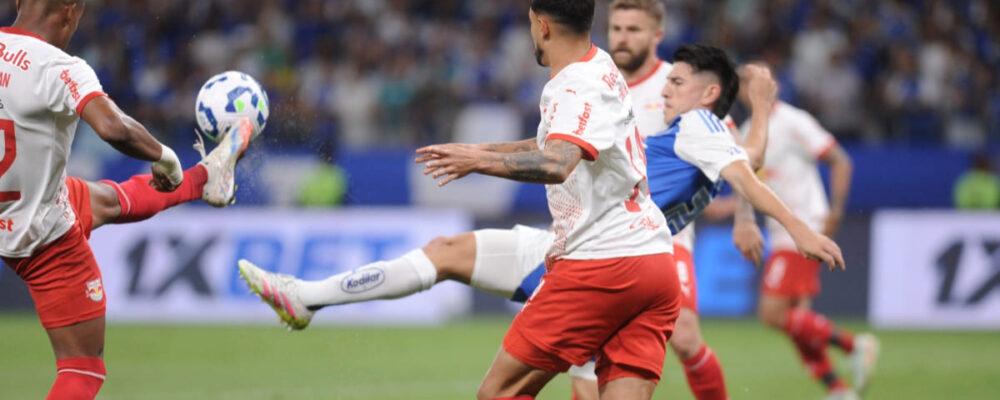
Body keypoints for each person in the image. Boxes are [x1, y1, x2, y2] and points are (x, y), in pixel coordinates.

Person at [241, 41, 844, 400]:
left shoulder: (695, 128)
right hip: (621, 261)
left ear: (708, 95)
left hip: (599, 255)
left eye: (679, 84)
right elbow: (747, 161)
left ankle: (306, 298)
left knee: (495, 365)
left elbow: (744, 172)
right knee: (451, 251)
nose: (666, 90)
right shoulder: (677, 132)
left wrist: (798, 228)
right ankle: (307, 298)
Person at [0, 1, 250, 398]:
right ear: (69, 12)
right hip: (43, 235)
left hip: (22, 205)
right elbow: (113, 128)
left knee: (107, 201)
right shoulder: (58, 67)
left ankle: (206, 178)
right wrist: (165, 157)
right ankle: (200, 177)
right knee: (82, 369)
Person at [730, 67, 879, 400]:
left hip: (804, 228)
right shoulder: (745, 131)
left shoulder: (794, 121)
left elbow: (840, 160)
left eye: (753, 81)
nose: (746, 88)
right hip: (781, 230)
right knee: (797, 322)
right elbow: (757, 187)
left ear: (772, 87)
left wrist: (837, 209)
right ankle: (838, 391)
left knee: (772, 314)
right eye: (742, 83)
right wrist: (730, 211)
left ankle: (855, 344)